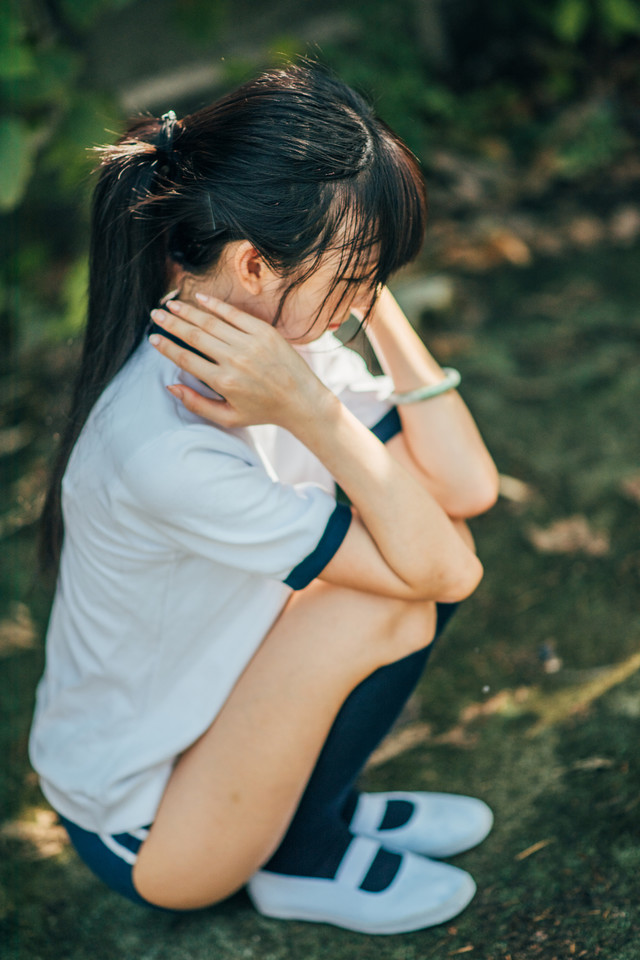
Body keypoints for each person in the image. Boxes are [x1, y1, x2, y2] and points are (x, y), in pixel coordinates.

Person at [30, 63, 500, 934]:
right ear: (253, 262)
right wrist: (320, 415)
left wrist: (368, 291)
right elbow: (448, 570)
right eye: (357, 273)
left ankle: (314, 812)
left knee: (399, 547)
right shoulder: (166, 439)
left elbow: (463, 486)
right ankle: (299, 857)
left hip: (214, 723)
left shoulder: (265, 338)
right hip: (153, 824)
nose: (361, 302)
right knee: (389, 603)